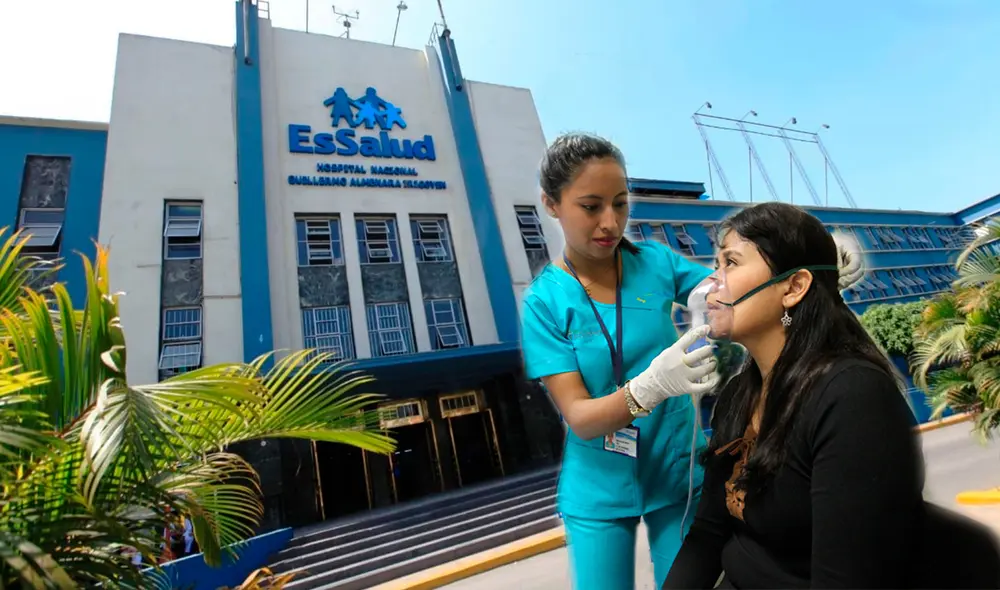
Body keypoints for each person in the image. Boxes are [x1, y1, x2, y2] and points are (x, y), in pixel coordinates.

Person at [519, 134, 864, 590]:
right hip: (598, 483)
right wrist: (650, 387)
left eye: (621, 204)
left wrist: (808, 265)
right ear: (551, 203)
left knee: (690, 577)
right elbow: (581, 418)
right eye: (591, 206)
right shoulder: (544, 302)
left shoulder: (655, 262)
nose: (610, 222)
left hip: (674, 467)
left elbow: (726, 288)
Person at [663, 202, 925, 589]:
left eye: (730, 263)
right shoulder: (738, 396)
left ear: (794, 287)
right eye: (715, 265)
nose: (708, 287)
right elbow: (706, 533)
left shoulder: (853, 400)